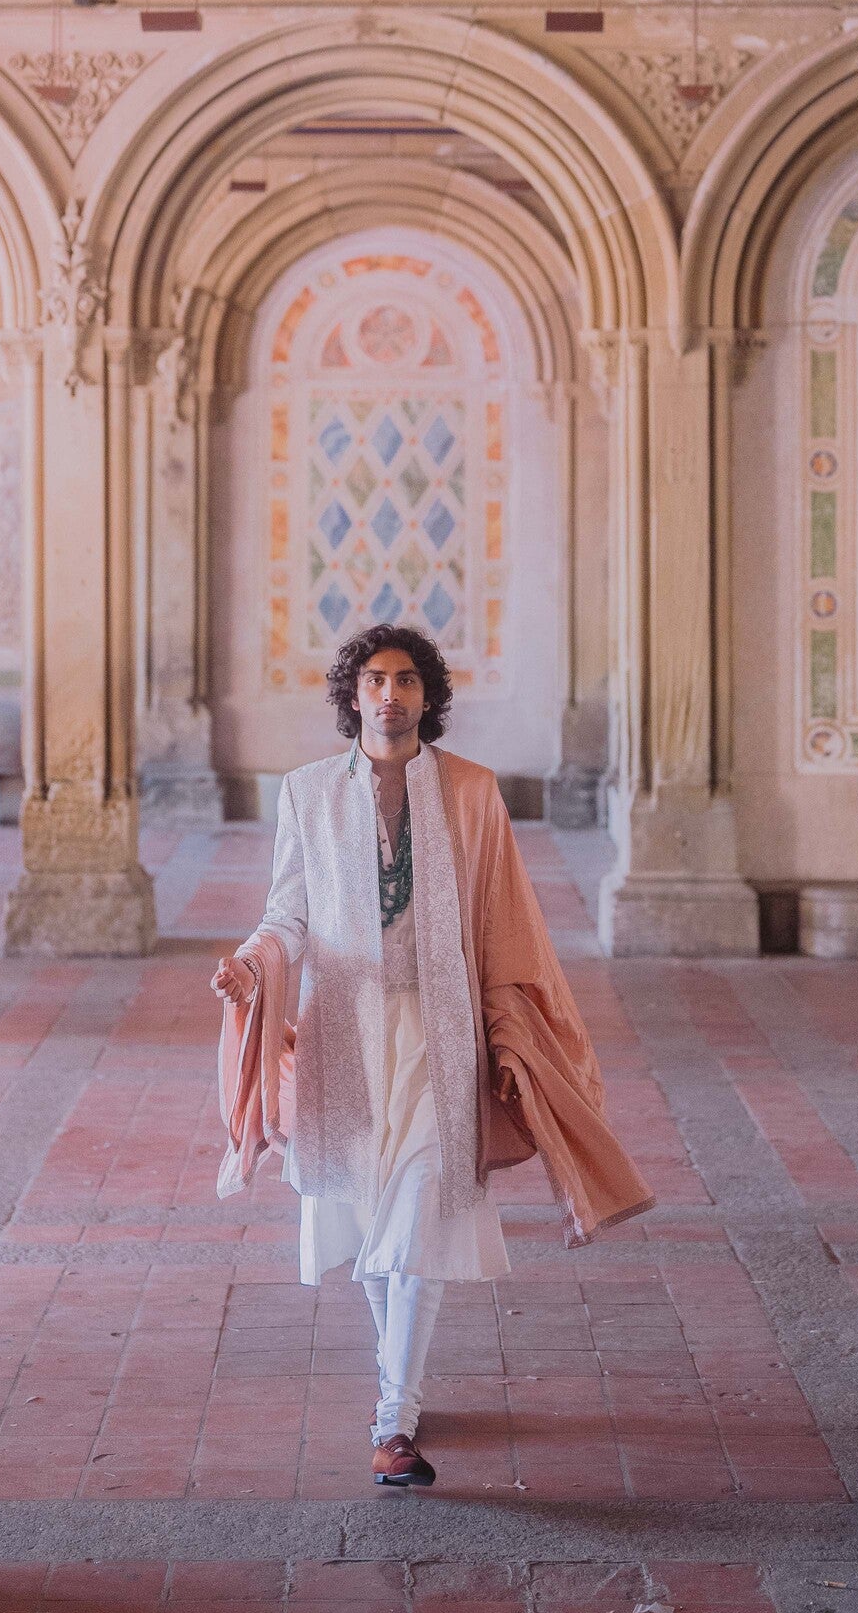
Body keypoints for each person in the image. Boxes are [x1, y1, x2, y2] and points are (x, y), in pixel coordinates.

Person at [212, 623, 650, 1489]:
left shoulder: (472, 793)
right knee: (365, 1216)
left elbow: (503, 923)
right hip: (342, 1033)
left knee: (419, 1214)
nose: (390, 694)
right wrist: (252, 968)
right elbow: (287, 914)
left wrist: (503, 1032)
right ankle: (397, 1381)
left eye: (406, 679)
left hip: (438, 1033)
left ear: (428, 697)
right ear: (351, 696)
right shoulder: (305, 793)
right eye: (373, 679)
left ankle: (393, 1422)